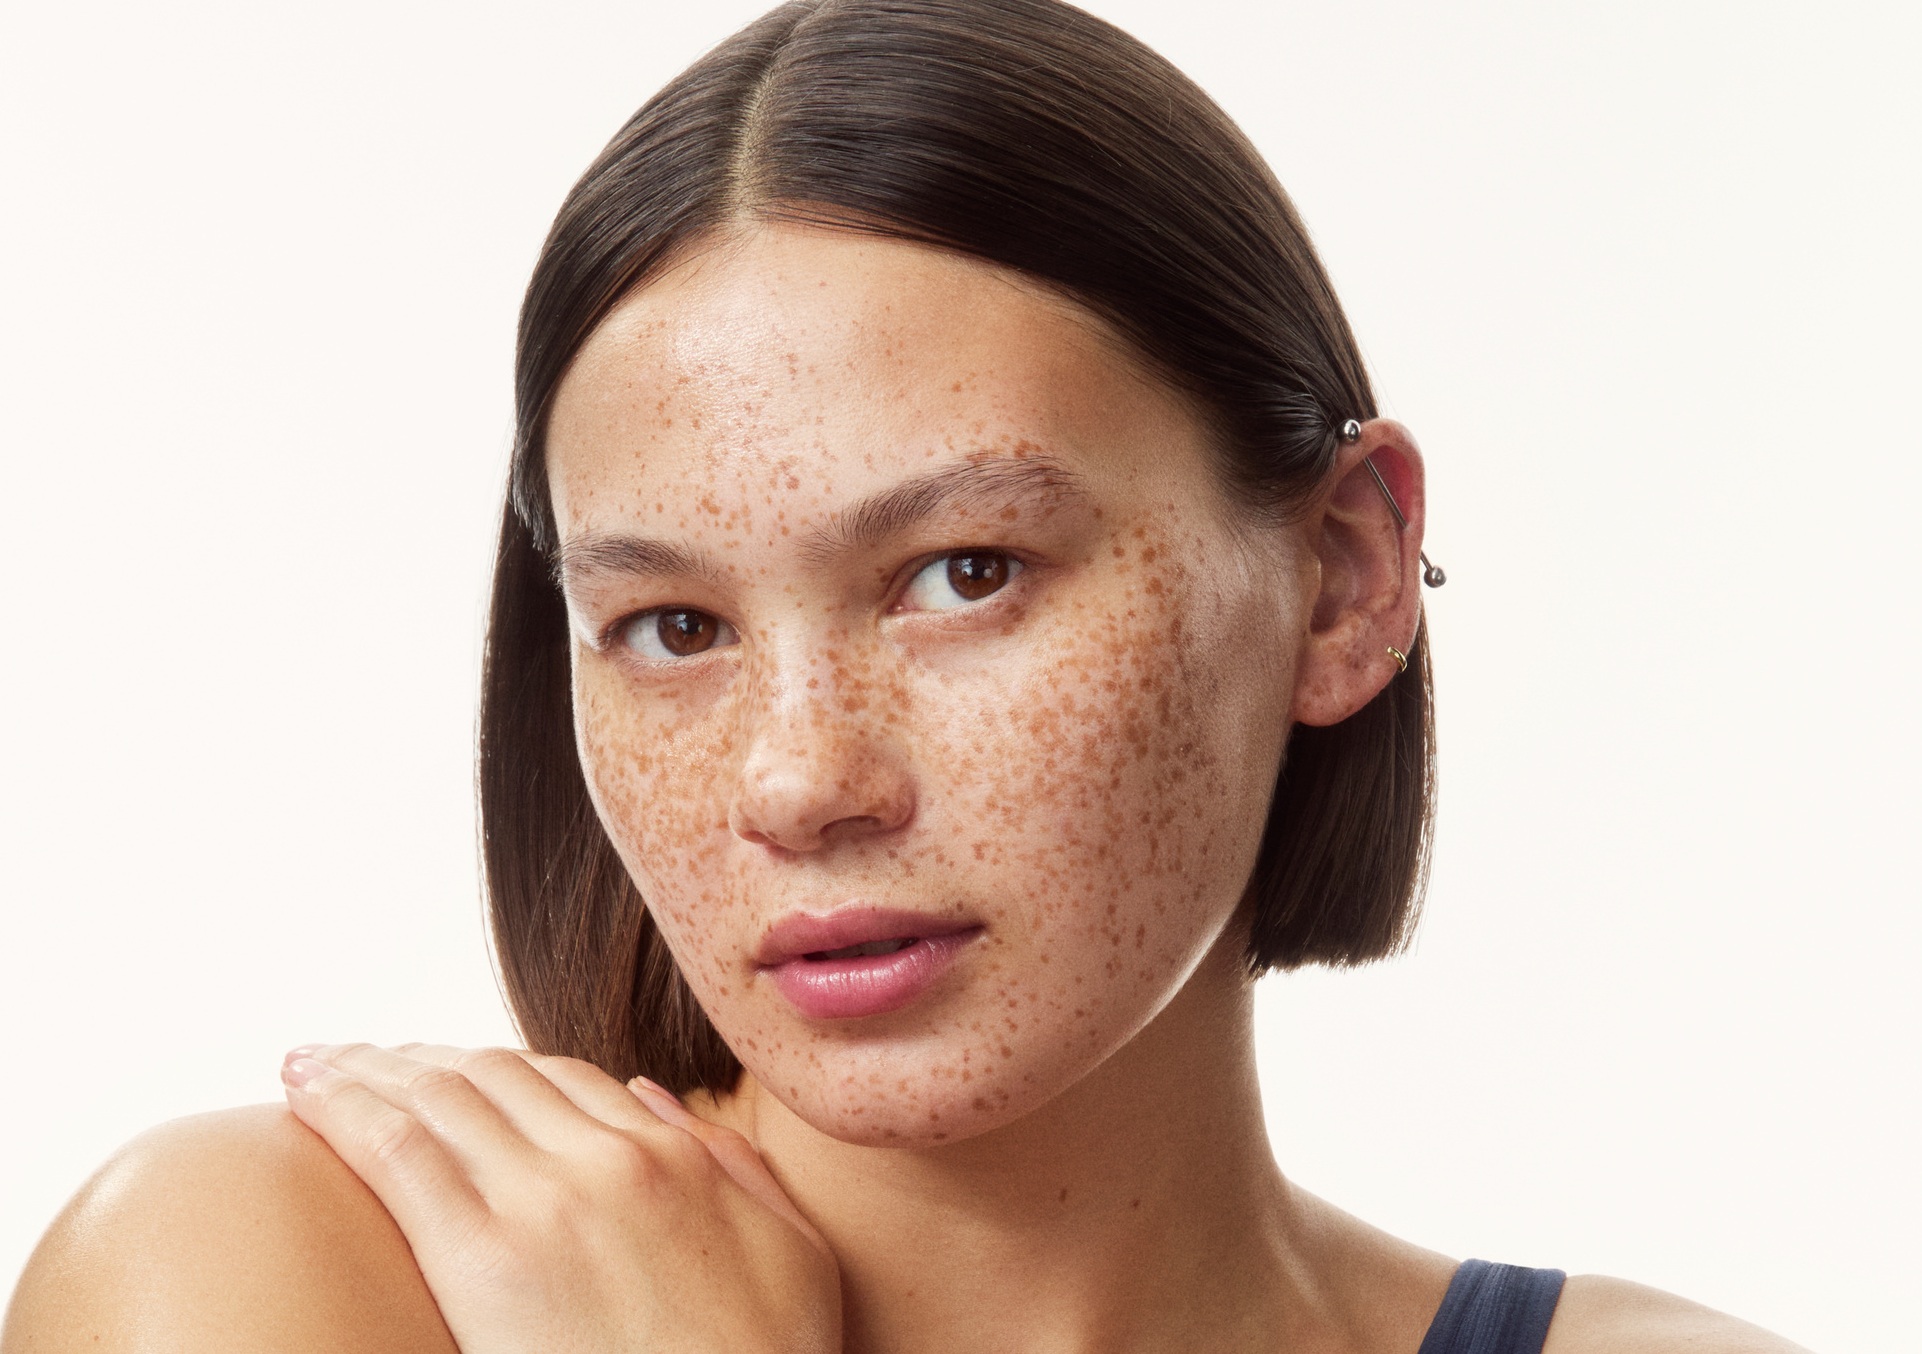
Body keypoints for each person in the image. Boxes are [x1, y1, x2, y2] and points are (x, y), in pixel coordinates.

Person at [2, 1, 1809, 1350]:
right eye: (674, 627)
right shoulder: (265, 1284)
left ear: (1338, 575)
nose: (800, 780)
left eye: (963, 574)